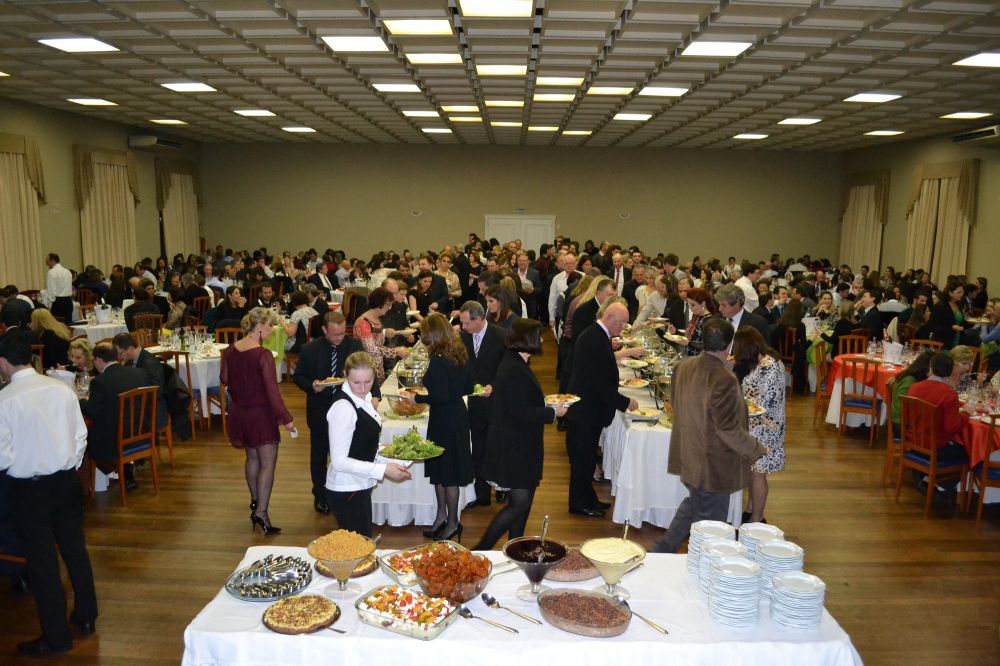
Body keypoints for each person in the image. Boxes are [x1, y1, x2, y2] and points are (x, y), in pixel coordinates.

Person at [0, 333, 97, 656]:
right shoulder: (61, 389)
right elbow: (80, 435)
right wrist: (68, 460)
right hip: (66, 481)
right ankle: (86, 616)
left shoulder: (5, 399)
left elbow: (3, 456)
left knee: (43, 562)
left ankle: (56, 637)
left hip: (30, 488)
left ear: (3, 363)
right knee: (75, 550)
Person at [651, 318, 767, 553]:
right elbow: (727, 428)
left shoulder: (683, 366)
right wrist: (755, 448)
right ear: (728, 346)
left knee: (694, 505)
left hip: (690, 454)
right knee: (713, 529)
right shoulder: (723, 378)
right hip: (712, 464)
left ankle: (662, 549)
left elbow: (675, 404)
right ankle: (707, 570)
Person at [472, 319, 567, 549]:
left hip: (519, 443)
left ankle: (516, 547)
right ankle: (482, 548)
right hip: (516, 447)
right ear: (528, 340)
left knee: (522, 504)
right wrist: (553, 412)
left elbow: (519, 402)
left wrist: (546, 405)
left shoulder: (515, 362)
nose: (542, 339)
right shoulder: (514, 368)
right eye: (538, 335)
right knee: (519, 504)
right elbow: (520, 412)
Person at [220, 308, 295, 534]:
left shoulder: (231, 349)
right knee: (268, 463)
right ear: (260, 327)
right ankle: (262, 512)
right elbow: (273, 392)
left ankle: (255, 502)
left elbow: (224, 378)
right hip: (260, 414)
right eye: (270, 325)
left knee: (251, 457)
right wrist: (287, 419)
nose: (272, 329)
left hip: (239, 412)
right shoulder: (262, 355)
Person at [565, 301, 641, 517]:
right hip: (586, 411)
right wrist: (623, 402)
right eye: (623, 323)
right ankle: (580, 504)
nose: (624, 328)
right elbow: (597, 383)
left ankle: (588, 499)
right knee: (583, 461)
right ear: (610, 318)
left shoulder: (597, 334)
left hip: (588, 410)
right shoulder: (594, 339)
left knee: (587, 459)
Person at [292, 311, 372, 514]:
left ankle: (348, 492)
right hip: (320, 408)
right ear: (324, 330)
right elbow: (298, 376)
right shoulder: (310, 349)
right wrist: (312, 385)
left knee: (349, 452)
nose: (339, 338)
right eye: (334, 334)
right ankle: (320, 495)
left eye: (341, 333)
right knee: (319, 454)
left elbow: (367, 371)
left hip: (349, 408)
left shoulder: (353, 346)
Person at [404, 313, 474, 542]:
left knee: (447, 473)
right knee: (442, 472)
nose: (422, 337)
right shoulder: (458, 352)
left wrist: (419, 399)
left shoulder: (438, 359)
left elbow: (440, 395)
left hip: (445, 419)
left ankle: (452, 522)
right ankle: (442, 517)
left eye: (424, 333)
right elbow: (466, 386)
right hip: (456, 416)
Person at [325, 352, 411, 536]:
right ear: (345, 375)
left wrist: (383, 451)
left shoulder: (363, 398)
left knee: (361, 546)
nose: (362, 388)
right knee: (358, 550)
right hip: (347, 489)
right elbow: (339, 461)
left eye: (368, 381)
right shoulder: (343, 408)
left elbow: (359, 441)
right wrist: (383, 470)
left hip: (359, 484)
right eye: (356, 382)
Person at [79, 343, 151, 489]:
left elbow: (92, 412)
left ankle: (111, 473)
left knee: (86, 436)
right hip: (142, 433)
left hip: (115, 440)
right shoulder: (139, 373)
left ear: (99, 360)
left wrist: (80, 401)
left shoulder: (100, 382)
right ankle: (126, 468)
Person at [732, 328, 785, 524]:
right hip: (758, 425)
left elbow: (767, 401)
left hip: (765, 428)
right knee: (753, 472)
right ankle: (750, 510)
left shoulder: (769, 366)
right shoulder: (763, 361)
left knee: (758, 474)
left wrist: (742, 403)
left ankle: (757, 517)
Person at [458, 301, 506, 508]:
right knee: (478, 447)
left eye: (466, 323)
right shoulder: (463, 337)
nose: (463, 327)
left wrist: (493, 386)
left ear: (478, 320)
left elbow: (508, 368)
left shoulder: (501, 336)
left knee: (498, 446)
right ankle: (482, 494)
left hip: (497, 402)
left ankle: (503, 487)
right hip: (474, 402)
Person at [905, 352, 975, 491]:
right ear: (950, 373)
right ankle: (938, 484)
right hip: (935, 447)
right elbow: (952, 428)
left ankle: (925, 477)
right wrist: (966, 413)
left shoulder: (915, 387)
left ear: (931, 369)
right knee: (970, 453)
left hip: (912, 441)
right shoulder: (949, 395)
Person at [352, 287, 409, 386]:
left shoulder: (376, 319)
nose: (390, 308)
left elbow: (377, 341)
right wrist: (396, 351)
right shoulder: (363, 322)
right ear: (381, 303)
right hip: (366, 369)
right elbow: (371, 349)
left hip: (378, 367)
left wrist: (384, 333)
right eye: (389, 304)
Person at [772, 299, 808, 394]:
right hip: (794, 357)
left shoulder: (781, 323)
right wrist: (812, 339)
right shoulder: (800, 325)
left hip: (780, 355)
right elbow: (804, 345)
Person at [889, 351, 934, 428]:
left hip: (901, 420)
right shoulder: (909, 380)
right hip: (900, 423)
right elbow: (902, 406)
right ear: (926, 368)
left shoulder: (910, 375)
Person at [668, 287, 715, 356]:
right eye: (688, 304)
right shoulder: (696, 316)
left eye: (693, 305)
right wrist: (676, 331)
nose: (690, 307)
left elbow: (708, 346)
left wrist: (688, 343)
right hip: (689, 357)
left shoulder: (710, 321)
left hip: (700, 360)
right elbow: (692, 336)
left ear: (703, 304)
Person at [928, 280, 971, 350]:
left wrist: (972, 323)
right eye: (959, 292)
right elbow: (932, 327)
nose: (961, 294)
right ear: (950, 292)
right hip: (942, 343)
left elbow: (959, 322)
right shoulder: (940, 306)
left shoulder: (958, 304)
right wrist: (951, 328)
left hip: (957, 340)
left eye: (962, 292)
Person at [43, 253, 74, 323]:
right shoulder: (68, 272)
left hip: (58, 303)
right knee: (68, 326)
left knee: (57, 328)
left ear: (52, 260)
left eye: (47, 261)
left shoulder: (51, 272)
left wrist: (49, 306)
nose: (46, 264)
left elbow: (51, 291)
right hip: (68, 302)